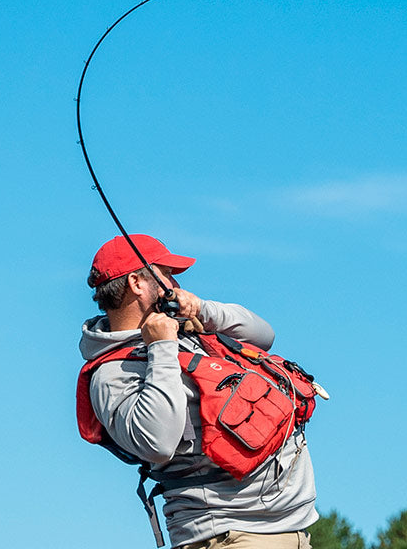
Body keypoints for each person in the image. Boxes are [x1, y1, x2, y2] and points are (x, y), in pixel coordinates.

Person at [77, 234, 319, 549]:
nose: (174, 283)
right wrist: (161, 347)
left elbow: (264, 335)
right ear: (137, 282)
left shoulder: (184, 327)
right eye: (166, 273)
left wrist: (202, 309)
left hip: (286, 530)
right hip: (228, 536)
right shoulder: (111, 374)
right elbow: (156, 443)